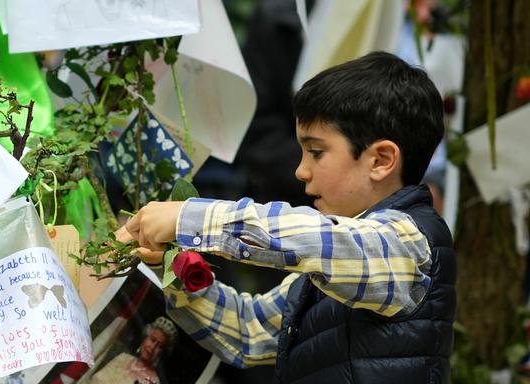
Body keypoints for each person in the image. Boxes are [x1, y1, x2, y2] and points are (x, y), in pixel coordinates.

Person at [121, 52, 454, 383]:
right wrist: (171, 267)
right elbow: (247, 329)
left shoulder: (408, 244)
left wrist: (189, 219)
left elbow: (319, 241)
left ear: (381, 160)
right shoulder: (329, 271)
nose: (301, 170)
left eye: (317, 152)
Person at [87, 316, 178, 384]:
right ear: (146, 337)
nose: (152, 347)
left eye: (159, 346)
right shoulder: (123, 357)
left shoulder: (152, 381)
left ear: (162, 352)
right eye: (152, 339)